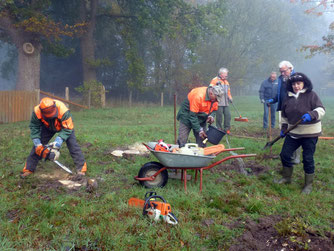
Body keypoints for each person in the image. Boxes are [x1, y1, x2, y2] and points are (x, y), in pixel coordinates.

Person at [275, 72, 325, 194]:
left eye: (299, 83)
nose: (296, 86)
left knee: (307, 158)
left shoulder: (311, 95)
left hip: (310, 133)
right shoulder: (287, 98)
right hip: (293, 133)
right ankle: (287, 177)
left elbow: (321, 109)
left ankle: (308, 184)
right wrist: (283, 129)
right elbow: (284, 116)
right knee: (285, 154)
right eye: (294, 84)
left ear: (304, 83)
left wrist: (312, 114)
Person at [20, 97, 87, 178]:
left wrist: (58, 142)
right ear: (42, 111)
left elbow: (68, 128)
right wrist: (37, 143)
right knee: (37, 148)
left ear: (55, 107)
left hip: (65, 127)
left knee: (73, 145)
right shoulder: (36, 111)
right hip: (47, 126)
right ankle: (28, 169)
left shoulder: (63, 110)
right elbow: (34, 127)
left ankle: (81, 169)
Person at [267, 60, 301, 164]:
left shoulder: (297, 78)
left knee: (295, 132)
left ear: (290, 69)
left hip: (294, 110)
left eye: (284, 71)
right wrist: (274, 99)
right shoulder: (282, 79)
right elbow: (280, 93)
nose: (282, 73)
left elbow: (301, 93)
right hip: (283, 109)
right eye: (280, 71)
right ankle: (287, 154)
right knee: (286, 131)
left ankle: (296, 157)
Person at [209, 67, 233, 134]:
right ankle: (219, 129)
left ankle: (227, 129)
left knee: (228, 116)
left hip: (226, 103)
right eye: (226, 73)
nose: (227, 75)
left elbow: (228, 92)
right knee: (219, 116)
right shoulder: (214, 80)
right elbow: (210, 90)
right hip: (218, 102)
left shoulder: (226, 82)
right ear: (221, 73)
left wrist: (230, 97)